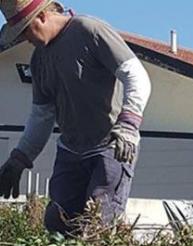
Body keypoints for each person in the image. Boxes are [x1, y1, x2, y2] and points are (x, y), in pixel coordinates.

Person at [0, 0, 151, 234]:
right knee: (57, 224)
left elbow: (136, 76)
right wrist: (19, 159)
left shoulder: (89, 31)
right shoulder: (39, 61)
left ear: (42, 17)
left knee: (96, 226)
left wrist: (129, 123)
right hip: (71, 151)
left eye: (25, 31)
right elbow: (42, 116)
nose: (25, 39)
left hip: (110, 146)